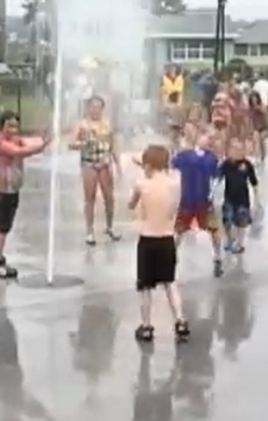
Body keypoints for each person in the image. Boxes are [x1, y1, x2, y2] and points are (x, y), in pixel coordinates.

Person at [129, 144, 189, 343]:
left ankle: (146, 326)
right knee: (170, 283)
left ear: (147, 165)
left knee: (145, 287)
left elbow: (131, 204)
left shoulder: (142, 184)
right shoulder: (175, 184)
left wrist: (143, 171)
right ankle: (180, 321)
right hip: (166, 239)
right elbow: (174, 208)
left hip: (148, 239)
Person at [0, 111, 52, 278]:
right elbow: (18, 152)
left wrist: (42, 139)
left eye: (16, 125)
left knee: (5, 227)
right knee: (1, 228)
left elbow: (27, 143)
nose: (13, 129)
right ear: (1, 126)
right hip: (1, 190)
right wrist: (41, 146)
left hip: (12, 189)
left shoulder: (16, 140)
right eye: (9, 125)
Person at [68, 96, 123, 245]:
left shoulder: (107, 124)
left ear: (102, 109)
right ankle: (89, 231)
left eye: (99, 107)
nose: (95, 110)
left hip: (105, 164)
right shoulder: (82, 125)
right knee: (90, 198)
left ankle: (110, 226)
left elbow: (114, 146)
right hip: (89, 164)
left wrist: (118, 166)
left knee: (109, 197)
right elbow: (71, 143)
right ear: (88, 108)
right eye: (93, 107)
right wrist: (83, 144)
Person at [172, 134, 224, 277]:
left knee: (213, 230)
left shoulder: (211, 158)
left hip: (204, 201)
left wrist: (213, 194)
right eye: (204, 137)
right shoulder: (185, 155)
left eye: (209, 139)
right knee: (179, 230)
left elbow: (217, 177)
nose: (207, 141)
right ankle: (171, 254)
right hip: (187, 200)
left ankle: (217, 256)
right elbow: (173, 162)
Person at [219, 138, 260, 254]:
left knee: (241, 223)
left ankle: (240, 243)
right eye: (235, 149)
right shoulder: (225, 164)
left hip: (243, 199)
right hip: (229, 198)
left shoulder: (247, 165)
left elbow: (254, 182)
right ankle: (229, 238)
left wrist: (257, 199)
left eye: (240, 149)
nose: (238, 151)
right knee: (227, 221)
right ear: (229, 151)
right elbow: (218, 179)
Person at [248, 91, 268, 161]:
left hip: (262, 126)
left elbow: (264, 111)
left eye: (255, 99)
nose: (254, 101)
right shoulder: (249, 107)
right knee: (256, 141)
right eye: (252, 99)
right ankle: (256, 157)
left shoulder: (261, 105)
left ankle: (263, 155)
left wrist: (258, 108)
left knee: (262, 141)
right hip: (254, 126)